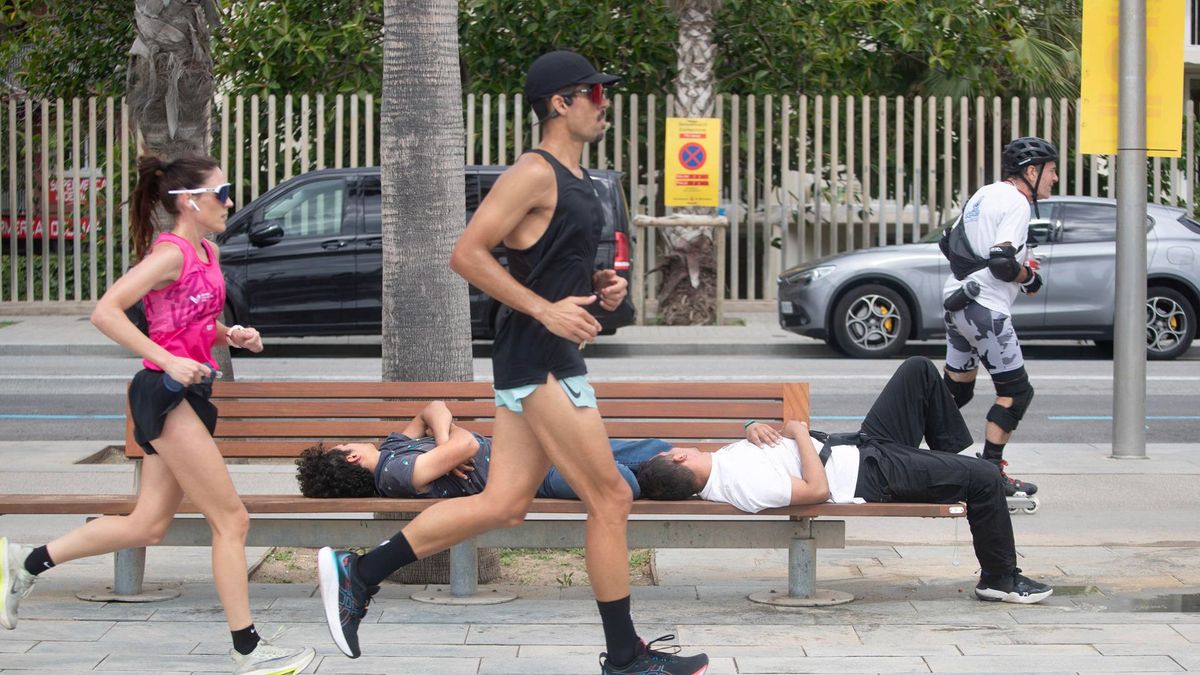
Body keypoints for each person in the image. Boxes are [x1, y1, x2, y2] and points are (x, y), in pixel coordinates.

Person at [314, 50, 708, 675]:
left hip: (546, 355)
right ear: (561, 102)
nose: (604, 105)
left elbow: (549, 265)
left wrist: (603, 286)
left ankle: (359, 573)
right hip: (538, 357)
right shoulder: (535, 170)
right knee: (609, 496)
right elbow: (467, 253)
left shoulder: (582, 181)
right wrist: (547, 312)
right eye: (595, 94)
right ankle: (626, 656)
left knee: (503, 504)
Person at [0, 156, 315, 675]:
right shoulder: (168, 254)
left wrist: (229, 335)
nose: (230, 201)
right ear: (189, 200)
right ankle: (249, 651)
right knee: (232, 519)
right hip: (162, 393)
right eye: (223, 191)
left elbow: (191, 319)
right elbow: (106, 310)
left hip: (190, 393)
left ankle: (25, 562)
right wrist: (168, 359)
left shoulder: (207, 252)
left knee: (147, 524)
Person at [636, 356, 1054, 605]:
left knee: (919, 371)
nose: (679, 445)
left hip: (865, 446)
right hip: (873, 475)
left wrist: (750, 426)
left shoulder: (720, 465)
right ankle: (1000, 580)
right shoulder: (742, 484)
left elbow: (758, 445)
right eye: (673, 449)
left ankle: (963, 474)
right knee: (983, 475)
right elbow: (816, 492)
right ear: (678, 457)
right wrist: (799, 434)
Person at [938, 136, 1058, 498]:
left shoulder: (984, 194)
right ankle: (992, 475)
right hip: (985, 309)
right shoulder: (1019, 203)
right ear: (1031, 171)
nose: (1054, 179)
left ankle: (911, 455)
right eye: (1051, 171)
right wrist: (1029, 277)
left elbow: (948, 242)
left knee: (954, 393)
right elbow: (1003, 263)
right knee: (1016, 393)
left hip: (957, 301)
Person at [295, 400, 669, 500]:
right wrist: (455, 445)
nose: (352, 441)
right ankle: (671, 481)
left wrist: (444, 444)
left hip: (544, 448)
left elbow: (434, 408)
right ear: (352, 458)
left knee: (658, 449)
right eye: (346, 445)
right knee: (624, 484)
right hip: (536, 475)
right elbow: (470, 443)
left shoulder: (394, 448)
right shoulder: (397, 474)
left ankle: (690, 474)